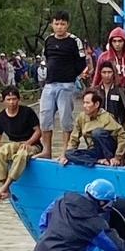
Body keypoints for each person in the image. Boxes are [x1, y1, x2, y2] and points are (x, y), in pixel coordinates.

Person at [0, 86, 43, 201]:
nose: (12, 102)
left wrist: (29, 142)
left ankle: (5, 187)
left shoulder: (27, 112)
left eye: (14, 99)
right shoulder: (0, 117)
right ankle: (6, 189)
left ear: (19, 100)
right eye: (8, 99)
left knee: (21, 155)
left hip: (33, 145)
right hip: (14, 144)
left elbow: (38, 131)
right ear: (3, 101)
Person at [39, 9, 87, 159]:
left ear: (67, 25)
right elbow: (46, 58)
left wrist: (72, 75)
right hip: (49, 84)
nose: (59, 27)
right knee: (45, 117)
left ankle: (65, 151)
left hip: (66, 85)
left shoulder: (74, 41)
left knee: (66, 119)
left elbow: (81, 62)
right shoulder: (48, 40)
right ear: (52, 24)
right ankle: (47, 150)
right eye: (56, 24)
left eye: (62, 24)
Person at [61, 90, 125, 167]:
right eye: (84, 103)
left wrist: (117, 157)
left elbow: (122, 135)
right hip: (94, 150)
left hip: (108, 148)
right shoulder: (81, 117)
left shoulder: (106, 117)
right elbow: (74, 139)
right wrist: (66, 155)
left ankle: (109, 159)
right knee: (69, 153)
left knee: (97, 133)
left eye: (88, 103)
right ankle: (97, 161)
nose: (85, 106)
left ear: (96, 104)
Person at [93, 62, 125, 128]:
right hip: (98, 127)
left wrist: (123, 126)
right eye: (104, 72)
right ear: (100, 73)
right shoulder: (95, 91)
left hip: (116, 128)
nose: (107, 75)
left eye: (109, 72)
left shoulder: (122, 91)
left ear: (114, 73)